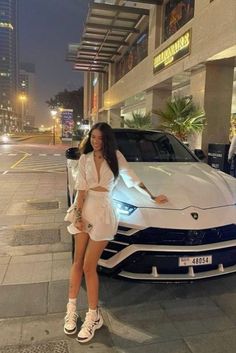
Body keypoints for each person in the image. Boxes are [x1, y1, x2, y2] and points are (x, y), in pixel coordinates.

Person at [64, 122, 168, 343]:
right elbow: (81, 190)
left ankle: (94, 315)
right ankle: (71, 309)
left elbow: (133, 179)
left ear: (107, 139)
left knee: (88, 266)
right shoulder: (84, 158)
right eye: (93, 137)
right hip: (84, 208)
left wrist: (152, 196)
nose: (96, 141)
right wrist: (79, 216)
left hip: (104, 211)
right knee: (77, 262)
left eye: (101, 138)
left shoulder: (116, 157)